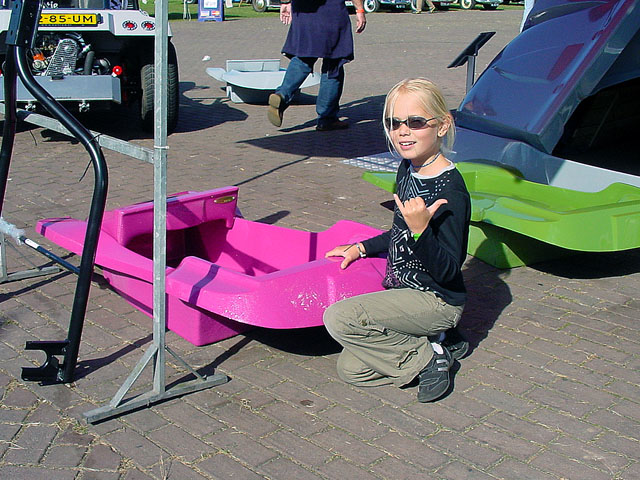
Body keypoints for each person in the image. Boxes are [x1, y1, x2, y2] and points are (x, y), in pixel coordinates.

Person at [323, 78, 471, 402]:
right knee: (351, 369)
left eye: (416, 122)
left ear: (442, 125)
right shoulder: (408, 168)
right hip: (404, 293)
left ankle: (433, 357)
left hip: (437, 299)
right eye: (394, 123)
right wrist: (362, 248)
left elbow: (448, 269)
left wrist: (421, 231)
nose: (403, 131)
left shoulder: (450, 191)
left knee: (339, 318)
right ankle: (438, 340)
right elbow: (400, 234)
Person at [267, 0, 367, 131]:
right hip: (331, 11)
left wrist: (285, 2)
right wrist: (360, 10)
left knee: (303, 57)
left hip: (303, 11)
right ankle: (327, 118)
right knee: (333, 64)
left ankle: (282, 94)